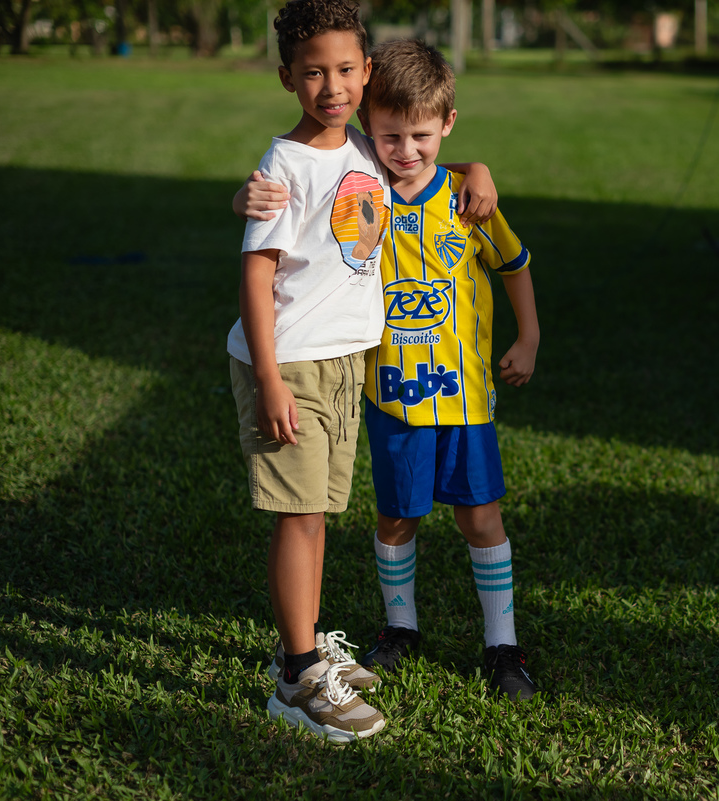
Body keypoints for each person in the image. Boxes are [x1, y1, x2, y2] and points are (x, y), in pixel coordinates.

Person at [240, 38, 541, 701]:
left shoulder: (468, 198)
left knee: (481, 516)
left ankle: (503, 644)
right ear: (370, 134)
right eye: (390, 136)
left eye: (423, 137)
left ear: (448, 127)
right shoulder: (362, 187)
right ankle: (400, 627)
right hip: (389, 395)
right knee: (396, 517)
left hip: (465, 399)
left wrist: (531, 335)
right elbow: (302, 193)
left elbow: (514, 262)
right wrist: (248, 196)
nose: (406, 150)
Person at [229, 0, 390, 743]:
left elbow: (420, 155)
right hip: (289, 361)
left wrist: (475, 169)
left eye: (347, 69)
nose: (333, 84)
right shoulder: (283, 164)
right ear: (287, 77)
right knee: (298, 517)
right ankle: (297, 678)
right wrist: (267, 378)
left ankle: (309, 640)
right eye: (314, 72)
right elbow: (257, 275)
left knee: (318, 514)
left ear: (367, 71)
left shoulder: (361, 145)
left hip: (341, 359)